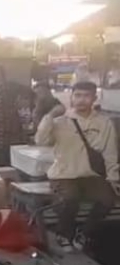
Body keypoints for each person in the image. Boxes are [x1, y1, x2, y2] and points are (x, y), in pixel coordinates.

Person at [35, 81, 120, 252]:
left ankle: (84, 232)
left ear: (94, 98)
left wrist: (113, 178)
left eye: (86, 96)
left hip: (92, 176)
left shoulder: (104, 123)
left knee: (108, 199)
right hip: (63, 175)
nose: (81, 100)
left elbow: (110, 154)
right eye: (78, 95)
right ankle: (63, 234)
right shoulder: (59, 122)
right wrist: (50, 115)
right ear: (71, 98)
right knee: (70, 199)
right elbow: (40, 140)